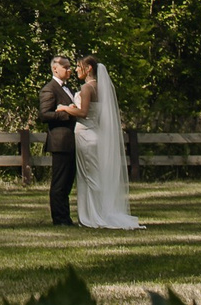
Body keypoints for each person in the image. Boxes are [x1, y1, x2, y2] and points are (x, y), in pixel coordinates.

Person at [55, 54, 143, 230]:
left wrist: (65, 108)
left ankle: (94, 216)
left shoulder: (87, 88)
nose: (77, 69)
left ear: (88, 69)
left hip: (86, 135)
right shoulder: (101, 88)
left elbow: (84, 112)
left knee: (89, 177)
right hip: (94, 133)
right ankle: (94, 212)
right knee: (93, 175)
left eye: (80, 66)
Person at [37, 54, 80, 226]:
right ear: (55, 68)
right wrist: (66, 113)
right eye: (66, 67)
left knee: (68, 181)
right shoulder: (50, 89)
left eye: (70, 67)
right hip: (60, 141)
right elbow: (44, 114)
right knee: (60, 182)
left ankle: (66, 217)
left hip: (70, 141)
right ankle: (59, 218)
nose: (70, 70)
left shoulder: (67, 88)